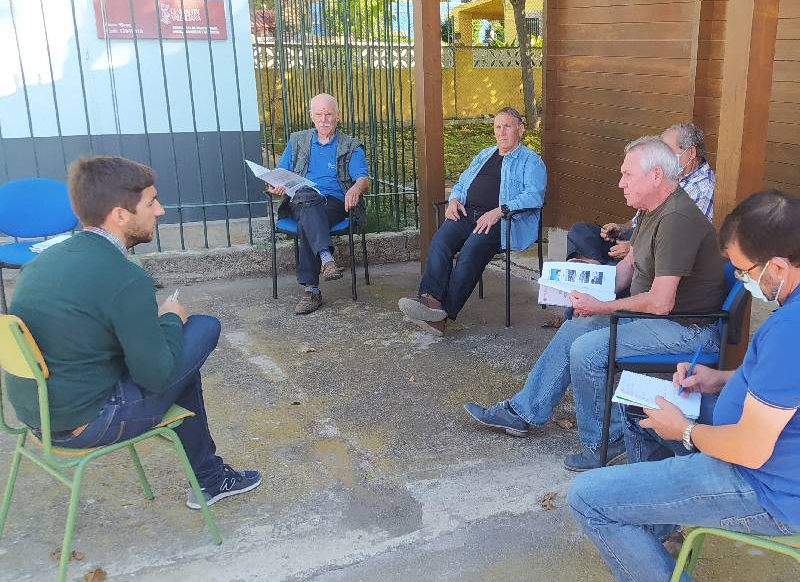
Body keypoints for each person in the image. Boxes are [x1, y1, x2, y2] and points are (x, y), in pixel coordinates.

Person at [568, 190, 800, 581]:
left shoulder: (789, 331)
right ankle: (653, 525)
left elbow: (749, 448)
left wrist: (686, 431)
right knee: (638, 403)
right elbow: (783, 388)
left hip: (766, 487)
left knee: (588, 499)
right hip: (769, 449)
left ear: (778, 267)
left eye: (744, 271)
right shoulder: (789, 319)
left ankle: (642, 524)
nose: (743, 280)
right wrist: (721, 380)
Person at [7, 157, 260, 510]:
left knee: (176, 358)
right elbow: (156, 375)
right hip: (87, 422)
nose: (161, 210)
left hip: (37, 416)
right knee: (202, 328)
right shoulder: (126, 278)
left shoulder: (41, 263)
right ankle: (209, 478)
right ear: (120, 215)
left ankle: (210, 477)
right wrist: (170, 319)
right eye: (151, 202)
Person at [464, 136, 728, 471]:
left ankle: (606, 439)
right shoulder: (650, 211)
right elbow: (622, 275)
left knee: (587, 350)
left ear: (656, 176)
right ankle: (523, 411)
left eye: (627, 175)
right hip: (658, 318)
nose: (620, 183)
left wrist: (601, 307)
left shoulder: (677, 219)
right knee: (576, 326)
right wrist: (575, 282)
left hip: (687, 328)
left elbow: (662, 303)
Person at [397, 107, 546, 335]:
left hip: (502, 221)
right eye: (497, 126)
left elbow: (534, 195)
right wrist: (455, 200)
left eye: (507, 126)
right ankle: (430, 300)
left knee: (471, 251)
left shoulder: (531, 161)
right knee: (440, 242)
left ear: (520, 129)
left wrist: (499, 211)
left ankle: (442, 315)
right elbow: (461, 183)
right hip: (467, 214)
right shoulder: (484, 155)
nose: (502, 131)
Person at [270, 93, 370, 315]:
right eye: (319, 114)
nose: (324, 119)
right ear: (311, 117)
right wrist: (276, 186)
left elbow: (363, 179)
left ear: (338, 116)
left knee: (308, 217)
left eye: (329, 114)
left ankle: (312, 291)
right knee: (307, 197)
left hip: (334, 202)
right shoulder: (297, 141)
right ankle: (326, 256)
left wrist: (355, 188)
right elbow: (279, 174)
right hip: (299, 197)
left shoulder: (350, 146)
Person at [567, 123, 715, 265]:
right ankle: (597, 269)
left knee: (618, 268)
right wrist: (621, 228)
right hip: (637, 237)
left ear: (691, 153)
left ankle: (598, 270)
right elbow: (640, 218)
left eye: (667, 151)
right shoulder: (672, 174)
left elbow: (678, 242)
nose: (622, 183)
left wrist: (633, 250)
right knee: (580, 231)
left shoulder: (703, 189)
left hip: (656, 251)